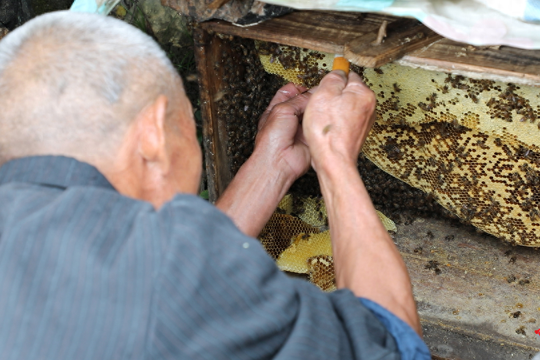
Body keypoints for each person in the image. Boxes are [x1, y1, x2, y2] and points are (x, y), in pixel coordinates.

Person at [0, 11, 430, 360]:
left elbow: (160, 270)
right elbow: (389, 344)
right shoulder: (162, 282)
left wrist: (272, 168)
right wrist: (335, 157)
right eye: (189, 119)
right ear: (153, 133)